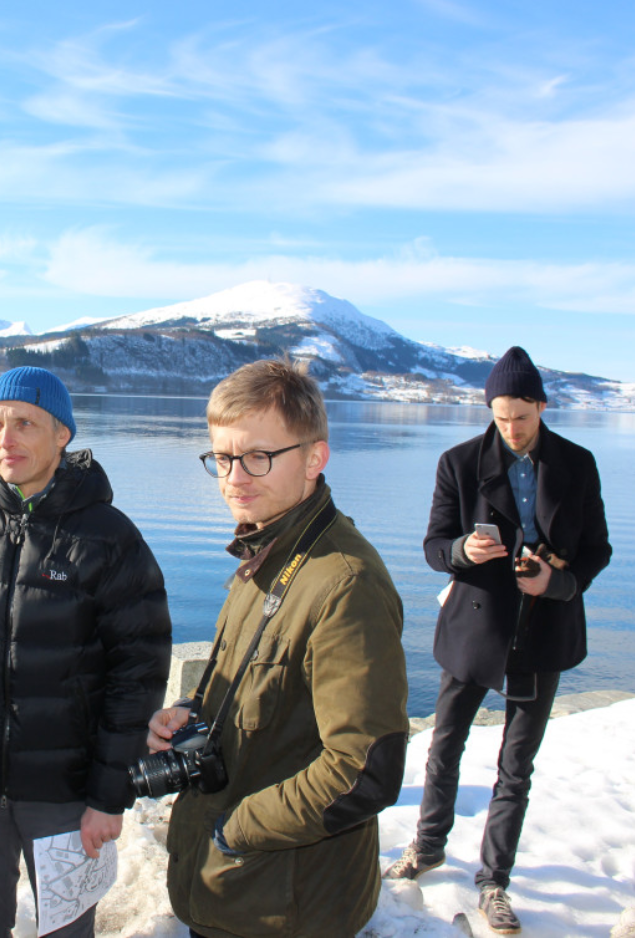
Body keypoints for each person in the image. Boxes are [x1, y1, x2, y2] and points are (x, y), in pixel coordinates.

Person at [0, 366, 172, 938]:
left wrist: (108, 792)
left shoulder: (108, 537)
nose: (7, 437)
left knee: (66, 931)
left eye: (25, 422)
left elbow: (138, 670)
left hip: (65, 793)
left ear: (62, 435)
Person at [152, 359, 409, 938]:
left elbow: (363, 771)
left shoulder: (345, 583)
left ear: (314, 458)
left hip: (286, 904)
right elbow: (258, 686)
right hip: (234, 893)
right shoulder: (264, 554)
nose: (234, 478)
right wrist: (193, 713)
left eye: (258, 458)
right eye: (222, 458)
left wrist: (235, 830)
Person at [385, 346, 611, 935]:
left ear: (542, 405)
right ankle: (428, 846)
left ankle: (494, 882)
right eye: (502, 416)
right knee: (444, 748)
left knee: (516, 766)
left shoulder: (579, 463)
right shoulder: (458, 463)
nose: (512, 429)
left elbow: (597, 550)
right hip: (474, 628)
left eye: (523, 416)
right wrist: (465, 551)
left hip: (545, 629)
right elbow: (435, 547)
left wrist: (556, 581)